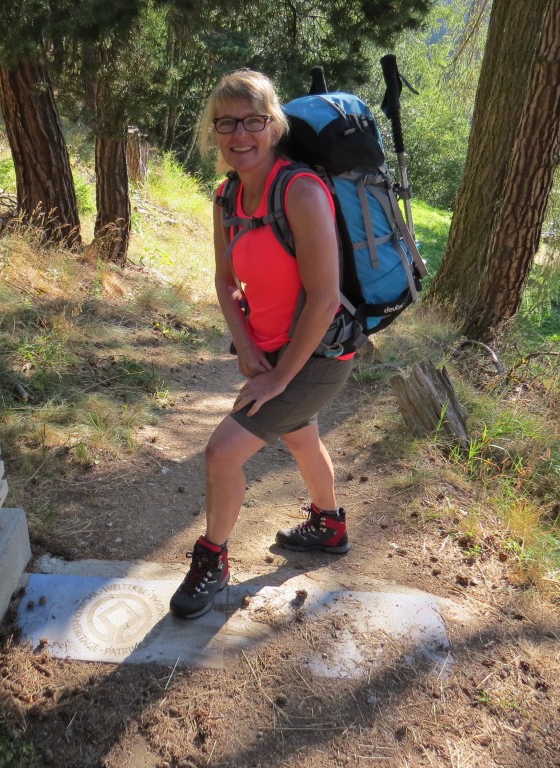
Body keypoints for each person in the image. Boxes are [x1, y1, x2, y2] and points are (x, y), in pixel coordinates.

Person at [169, 69, 357, 620]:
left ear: (274, 127)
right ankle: (329, 525)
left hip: (319, 354)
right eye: (226, 123)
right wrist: (245, 343)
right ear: (214, 132)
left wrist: (278, 377)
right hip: (272, 350)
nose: (239, 134)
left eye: (253, 121)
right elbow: (225, 279)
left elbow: (324, 299)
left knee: (222, 452)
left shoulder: (300, 190)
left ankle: (213, 559)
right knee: (302, 440)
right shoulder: (226, 196)